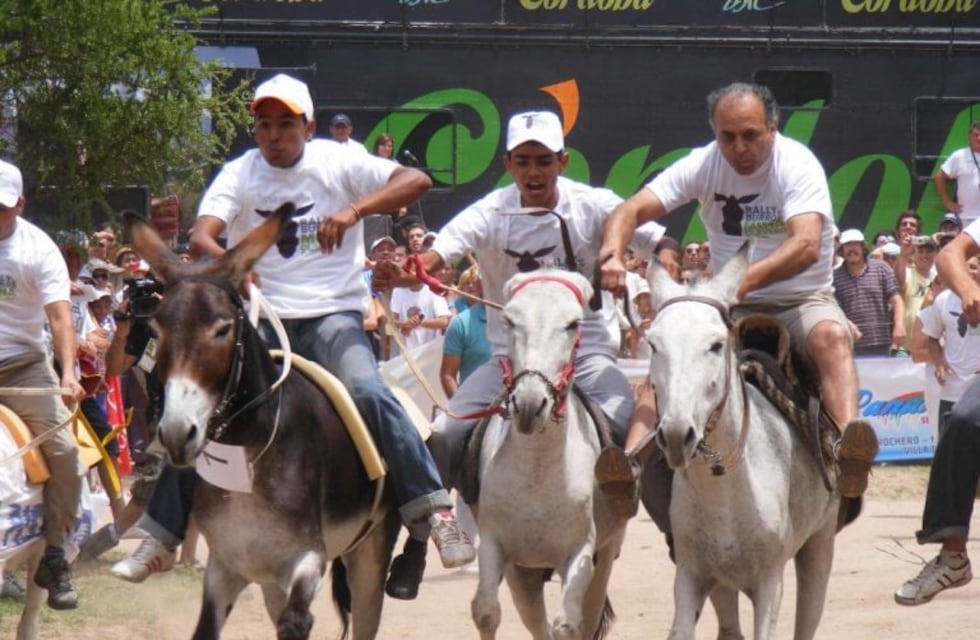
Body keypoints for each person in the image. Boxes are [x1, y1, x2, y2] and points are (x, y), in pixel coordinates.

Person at [110, 72, 473, 581]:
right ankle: (162, 534)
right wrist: (232, 263)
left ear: (309, 127)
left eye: (285, 124)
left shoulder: (338, 161)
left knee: (368, 390)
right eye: (264, 125)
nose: (273, 135)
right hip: (260, 319)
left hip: (332, 316)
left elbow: (416, 181)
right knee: (196, 401)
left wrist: (353, 211)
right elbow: (202, 236)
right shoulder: (240, 172)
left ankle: (434, 512)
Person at [373, 109, 664, 599]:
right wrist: (412, 268)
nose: (534, 172)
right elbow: (444, 250)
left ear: (562, 162)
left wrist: (665, 257)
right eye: (523, 161)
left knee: (629, 424)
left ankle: (638, 515)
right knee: (446, 434)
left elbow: (656, 238)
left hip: (586, 354)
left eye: (544, 161)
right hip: (511, 358)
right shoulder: (489, 212)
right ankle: (420, 543)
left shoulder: (593, 204)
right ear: (508, 163)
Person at [598, 83, 878, 525]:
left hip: (800, 297)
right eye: (727, 137)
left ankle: (848, 453)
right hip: (728, 302)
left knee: (831, 336)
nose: (739, 148)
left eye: (751, 135)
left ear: (773, 126)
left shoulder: (797, 163)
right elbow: (629, 211)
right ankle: (629, 466)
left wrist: (738, 282)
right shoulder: (703, 163)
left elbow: (806, 244)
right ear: (714, 132)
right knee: (674, 353)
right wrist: (611, 256)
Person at [0, 158, 84, 610]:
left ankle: (54, 554)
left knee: (66, 452)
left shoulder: (39, 249)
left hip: (24, 366)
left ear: (20, 204)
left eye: (2, 209)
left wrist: (68, 374)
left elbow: (59, 317)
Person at [893, 219, 980, 606]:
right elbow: (949, 255)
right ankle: (953, 555)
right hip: (963, 385)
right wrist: (969, 289)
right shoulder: (946, 302)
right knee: (962, 421)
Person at [832, 228, 904, 356]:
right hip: (849, 346)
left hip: (881, 344)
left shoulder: (881, 268)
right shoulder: (835, 277)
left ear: (863, 247)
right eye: (847, 245)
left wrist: (899, 325)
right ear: (842, 249)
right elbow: (834, 311)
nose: (851, 249)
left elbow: (897, 301)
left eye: (855, 244)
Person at [439, 265, 491, 399]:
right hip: (475, 405)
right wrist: (460, 406)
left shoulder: (520, 322)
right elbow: (448, 375)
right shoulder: (460, 323)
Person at [934, 121, 980, 225]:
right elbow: (939, 177)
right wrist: (947, 202)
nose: (979, 138)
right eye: (976, 135)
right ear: (969, 136)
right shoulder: (959, 156)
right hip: (965, 216)